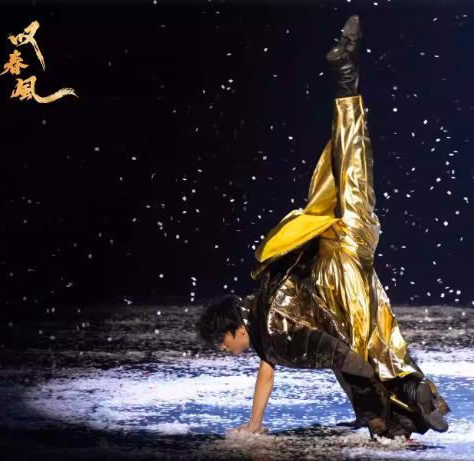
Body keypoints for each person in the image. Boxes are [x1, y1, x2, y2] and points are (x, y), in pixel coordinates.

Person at [196, 15, 451, 439]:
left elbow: (337, 357)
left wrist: (372, 413)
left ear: (234, 330)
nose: (229, 351)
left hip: (340, 261)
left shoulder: (269, 330)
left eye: (225, 344)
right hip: (338, 235)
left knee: (368, 340)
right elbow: (268, 369)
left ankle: (398, 412)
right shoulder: (260, 304)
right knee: (352, 164)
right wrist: (255, 423)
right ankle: (347, 78)